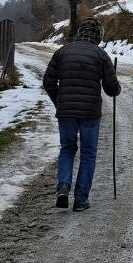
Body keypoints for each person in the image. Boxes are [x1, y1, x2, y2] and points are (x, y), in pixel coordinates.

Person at [43, 17, 121, 212]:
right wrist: (116, 87)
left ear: (80, 33)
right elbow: (112, 89)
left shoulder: (61, 52)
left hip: (66, 112)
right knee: (88, 154)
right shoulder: (101, 55)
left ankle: (63, 187)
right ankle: (80, 199)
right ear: (98, 36)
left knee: (67, 149)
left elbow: (48, 81)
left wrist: (59, 101)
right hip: (90, 113)